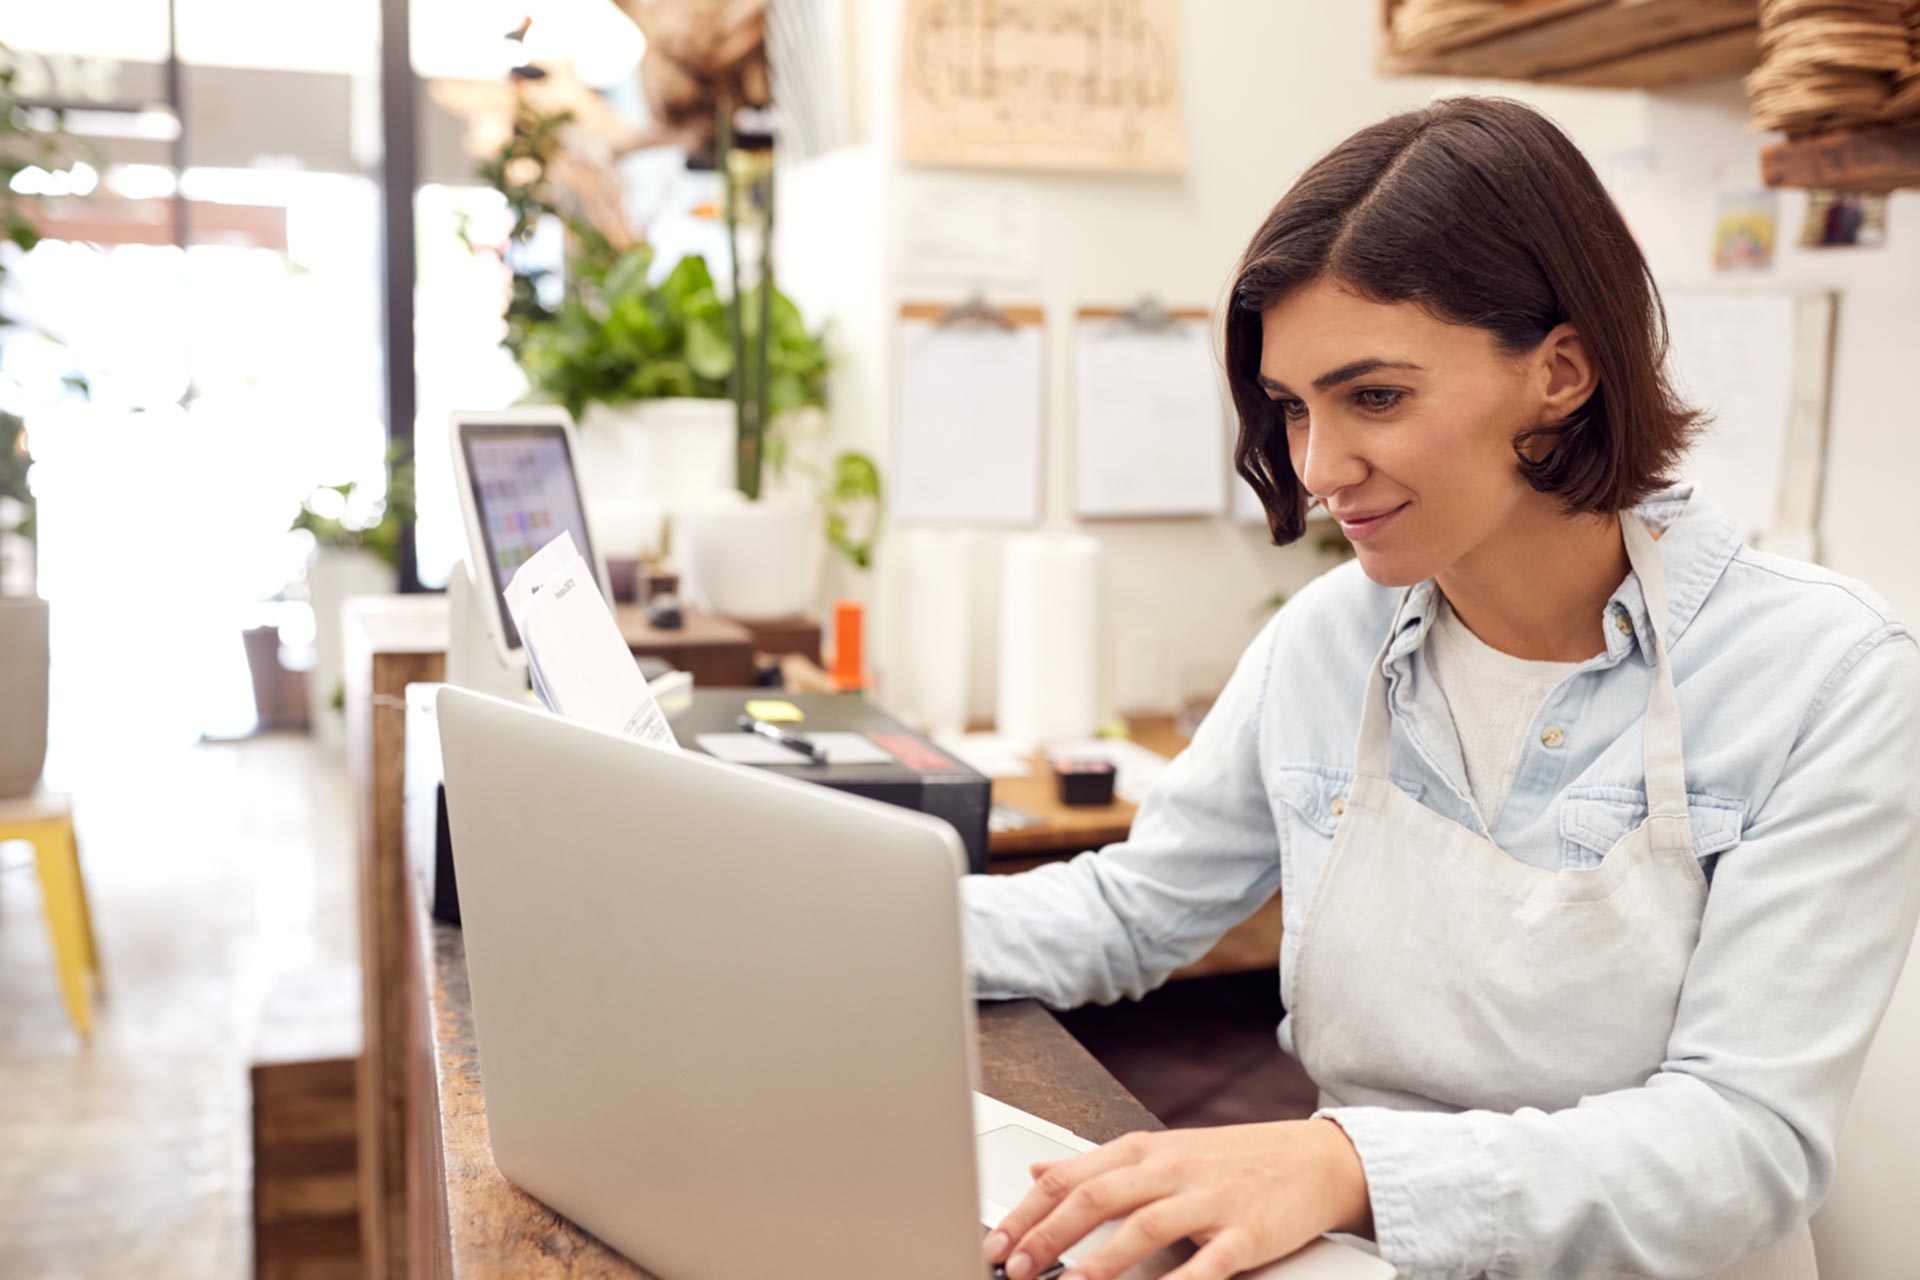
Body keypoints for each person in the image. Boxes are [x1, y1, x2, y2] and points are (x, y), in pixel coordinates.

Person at [965, 96, 1920, 1280]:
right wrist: (843, 921)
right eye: (1294, 407)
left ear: (1562, 370)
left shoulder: (1825, 677)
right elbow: (1129, 910)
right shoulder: (1328, 639)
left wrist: (1345, 1165)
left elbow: (1740, 1144)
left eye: (1375, 397)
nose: (1317, 466)